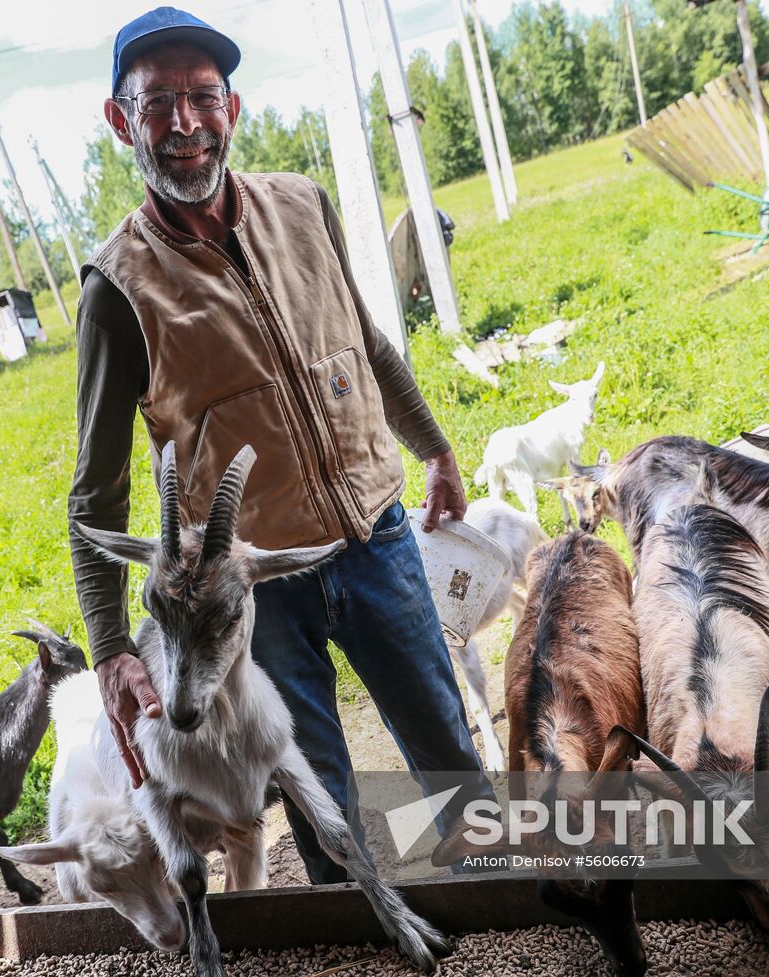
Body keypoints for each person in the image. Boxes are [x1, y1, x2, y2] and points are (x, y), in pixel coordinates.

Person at [68, 5, 489, 884]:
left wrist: (436, 448)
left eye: (201, 97)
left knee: (445, 744)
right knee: (316, 787)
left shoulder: (302, 205)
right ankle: (353, 927)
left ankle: (497, 893)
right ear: (121, 121)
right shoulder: (118, 291)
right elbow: (95, 499)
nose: (184, 124)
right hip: (251, 592)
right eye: (156, 104)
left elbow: (367, 346)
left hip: (373, 538)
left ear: (232, 108)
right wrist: (111, 649)